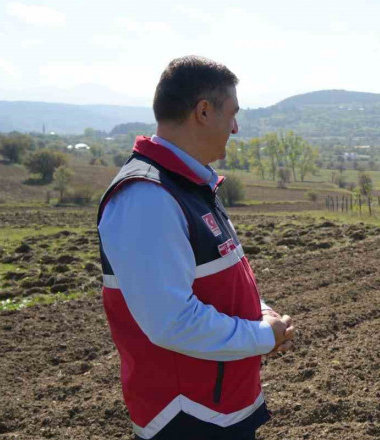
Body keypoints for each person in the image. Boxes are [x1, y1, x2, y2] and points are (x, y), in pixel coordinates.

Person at [97, 55, 295, 440]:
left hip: (220, 407)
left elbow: (218, 280)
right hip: (186, 417)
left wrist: (263, 314)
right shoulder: (146, 197)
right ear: (203, 111)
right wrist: (261, 336)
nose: (235, 129)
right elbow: (172, 321)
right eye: (232, 114)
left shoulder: (190, 186)